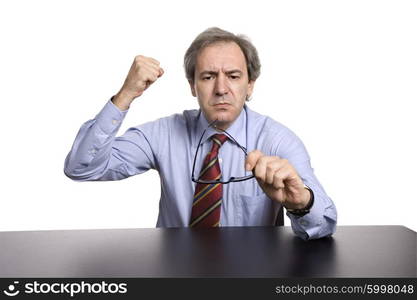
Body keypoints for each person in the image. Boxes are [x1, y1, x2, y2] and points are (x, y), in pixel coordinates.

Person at [64, 27, 337, 240]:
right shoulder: (164, 134)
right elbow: (81, 168)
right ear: (192, 86)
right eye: (207, 77)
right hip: (175, 276)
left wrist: (301, 202)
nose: (221, 88)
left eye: (233, 76)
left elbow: (324, 224)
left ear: (250, 85)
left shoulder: (277, 141)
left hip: (252, 276)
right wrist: (125, 95)